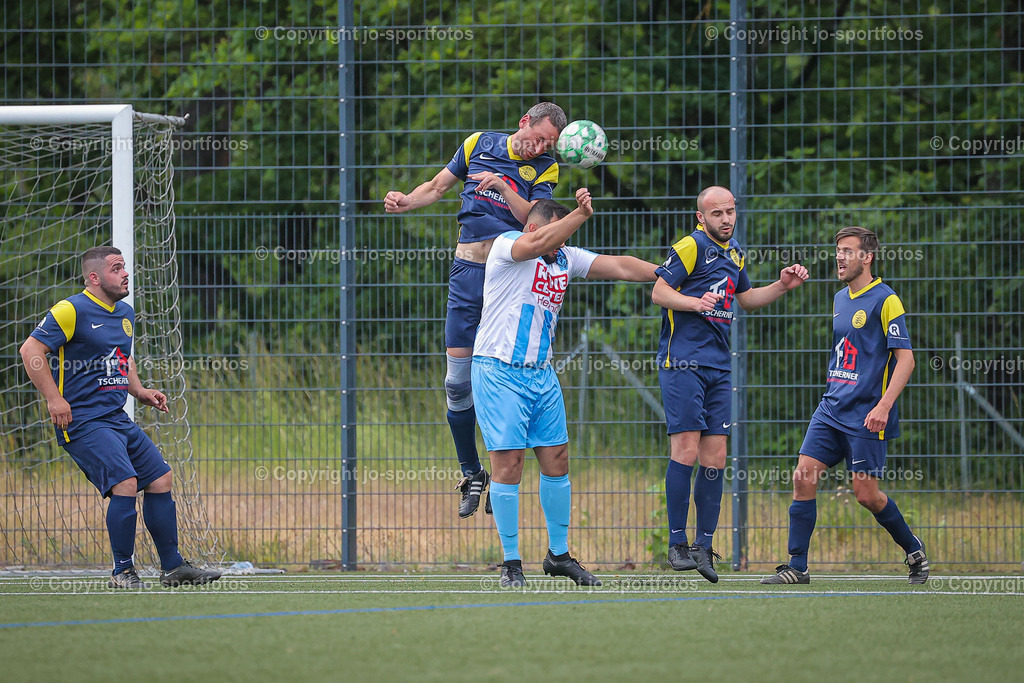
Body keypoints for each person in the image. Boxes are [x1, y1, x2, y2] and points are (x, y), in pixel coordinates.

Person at [384, 103, 567, 520]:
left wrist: (503, 187)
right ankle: (472, 472)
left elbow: (534, 225)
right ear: (524, 122)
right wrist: (405, 201)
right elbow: (436, 187)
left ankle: (510, 470)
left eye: (549, 143)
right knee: (455, 382)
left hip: (509, 276)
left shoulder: (545, 169)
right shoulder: (478, 143)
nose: (541, 146)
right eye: (539, 137)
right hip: (467, 271)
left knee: (504, 373)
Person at [473, 191, 658, 587]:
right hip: (498, 370)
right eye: (556, 236)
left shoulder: (563, 257)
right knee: (509, 466)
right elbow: (538, 243)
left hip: (541, 374)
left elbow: (622, 266)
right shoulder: (509, 245)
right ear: (536, 227)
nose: (561, 246)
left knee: (557, 461)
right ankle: (511, 564)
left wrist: (667, 273)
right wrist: (580, 213)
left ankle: (558, 556)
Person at [19, 246, 222, 589]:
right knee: (125, 483)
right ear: (95, 278)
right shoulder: (71, 309)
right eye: (116, 269)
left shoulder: (125, 313)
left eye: (124, 267)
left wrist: (140, 391)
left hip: (115, 418)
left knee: (161, 479)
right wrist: (55, 400)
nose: (125, 273)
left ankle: (173, 567)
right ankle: (122, 572)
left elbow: (120, 359)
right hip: (83, 421)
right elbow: (30, 350)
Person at [652, 186, 808, 583]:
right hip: (683, 361)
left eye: (730, 211)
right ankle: (677, 544)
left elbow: (747, 298)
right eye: (717, 213)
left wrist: (782, 286)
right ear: (701, 217)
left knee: (716, 457)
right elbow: (659, 291)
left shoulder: (735, 252)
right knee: (685, 450)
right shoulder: (689, 247)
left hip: (718, 366)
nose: (726, 218)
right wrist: (694, 303)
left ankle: (704, 546)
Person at [761, 226, 929, 585]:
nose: (839, 256)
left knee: (866, 495)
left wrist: (883, 407)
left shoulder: (887, 300)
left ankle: (913, 549)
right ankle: (797, 565)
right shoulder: (839, 299)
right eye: (838, 250)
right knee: (803, 476)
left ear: (867, 257)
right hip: (831, 408)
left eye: (848, 251)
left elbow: (907, 360)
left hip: (867, 414)